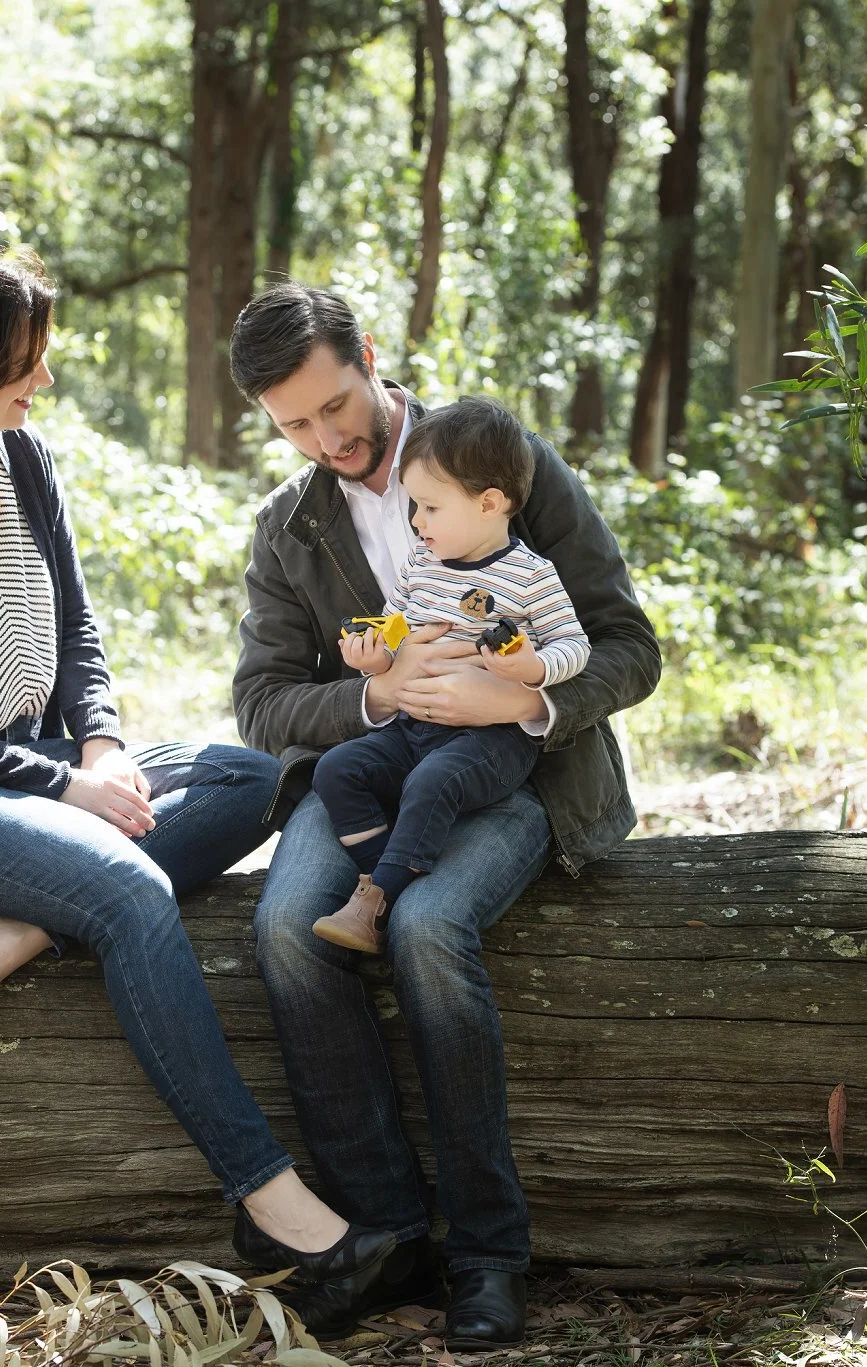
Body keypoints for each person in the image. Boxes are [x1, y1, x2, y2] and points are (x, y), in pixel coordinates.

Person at [0, 249, 402, 1308]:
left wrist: (97, 747)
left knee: (246, 776)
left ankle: (11, 933)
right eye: (24, 362)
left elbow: (80, 632)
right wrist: (64, 794)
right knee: (130, 891)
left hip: (19, 763)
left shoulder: (22, 462)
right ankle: (279, 1210)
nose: (41, 381)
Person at [229, 285, 662, 1345]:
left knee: (426, 929)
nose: (324, 437)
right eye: (291, 423)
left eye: (335, 404)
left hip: (512, 771)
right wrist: (376, 694)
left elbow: (626, 643)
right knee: (286, 929)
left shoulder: (497, 456)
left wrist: (523, 698)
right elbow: (261, 703)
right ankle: (381, 1231)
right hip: (373, 767)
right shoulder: (287, 529)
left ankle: (485, 1253)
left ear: (369, 357)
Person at [310, 398, 591, 952]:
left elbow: (575, 646)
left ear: (489, 503)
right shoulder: (422, 565)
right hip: (412, 726)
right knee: (337, 770)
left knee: (430, 783)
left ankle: (374, 902)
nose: (416, 521)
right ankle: (379, 874)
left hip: (491, 740)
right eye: (414, 506)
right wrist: (376, 659)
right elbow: (396, 628)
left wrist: (529, 670)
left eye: (430, 508)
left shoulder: (532, 575)